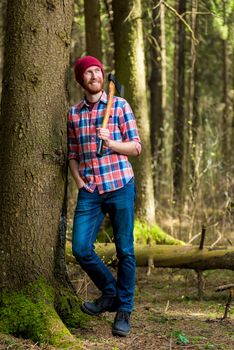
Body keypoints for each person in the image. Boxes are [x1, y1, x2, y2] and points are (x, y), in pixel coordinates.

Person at [67, 56, 141, 337]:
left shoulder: (119, 106)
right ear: (81, 80)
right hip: (90, 190)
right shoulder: (74, 114)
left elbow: (136, 147)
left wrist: (110, 142)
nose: (94, 75)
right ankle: (110, 292)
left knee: (125, 250)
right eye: (88, 73)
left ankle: (124, 310)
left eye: (97, 71)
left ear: (103, 78)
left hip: (120, 185)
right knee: (81, 249)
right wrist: (78, 181)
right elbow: (73, 154)